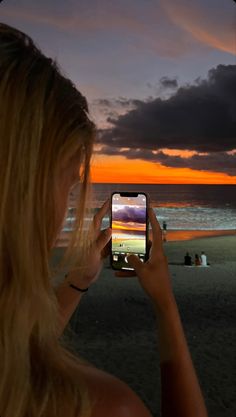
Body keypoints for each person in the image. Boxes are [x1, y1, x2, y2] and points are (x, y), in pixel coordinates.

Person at [0, 23, 208, 417]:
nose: (69, 198)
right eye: (71, 180)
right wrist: (164, 303)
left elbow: (19, 354)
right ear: (24, 192)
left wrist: (79, 281)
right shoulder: (103, 406)